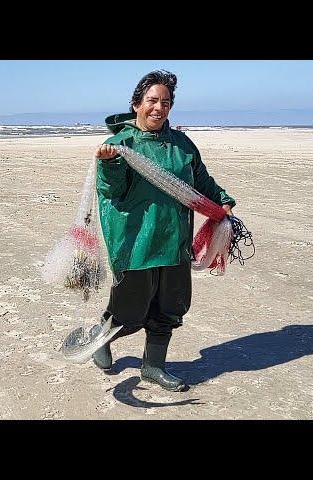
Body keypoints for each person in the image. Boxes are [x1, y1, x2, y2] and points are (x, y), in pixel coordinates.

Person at [92, 70, 236, 392]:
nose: (159, 108)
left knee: (169, 307)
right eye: (152, 101)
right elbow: (111, 192)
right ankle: (101, 335)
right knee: (130, 309)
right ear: (136, 104)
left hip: (174, 240)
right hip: (135, 242)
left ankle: (153, 367)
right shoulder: (119, 144)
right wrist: (109, 165)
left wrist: (222, 200)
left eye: (166, 103)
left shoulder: (182, 145)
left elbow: (201, 181)